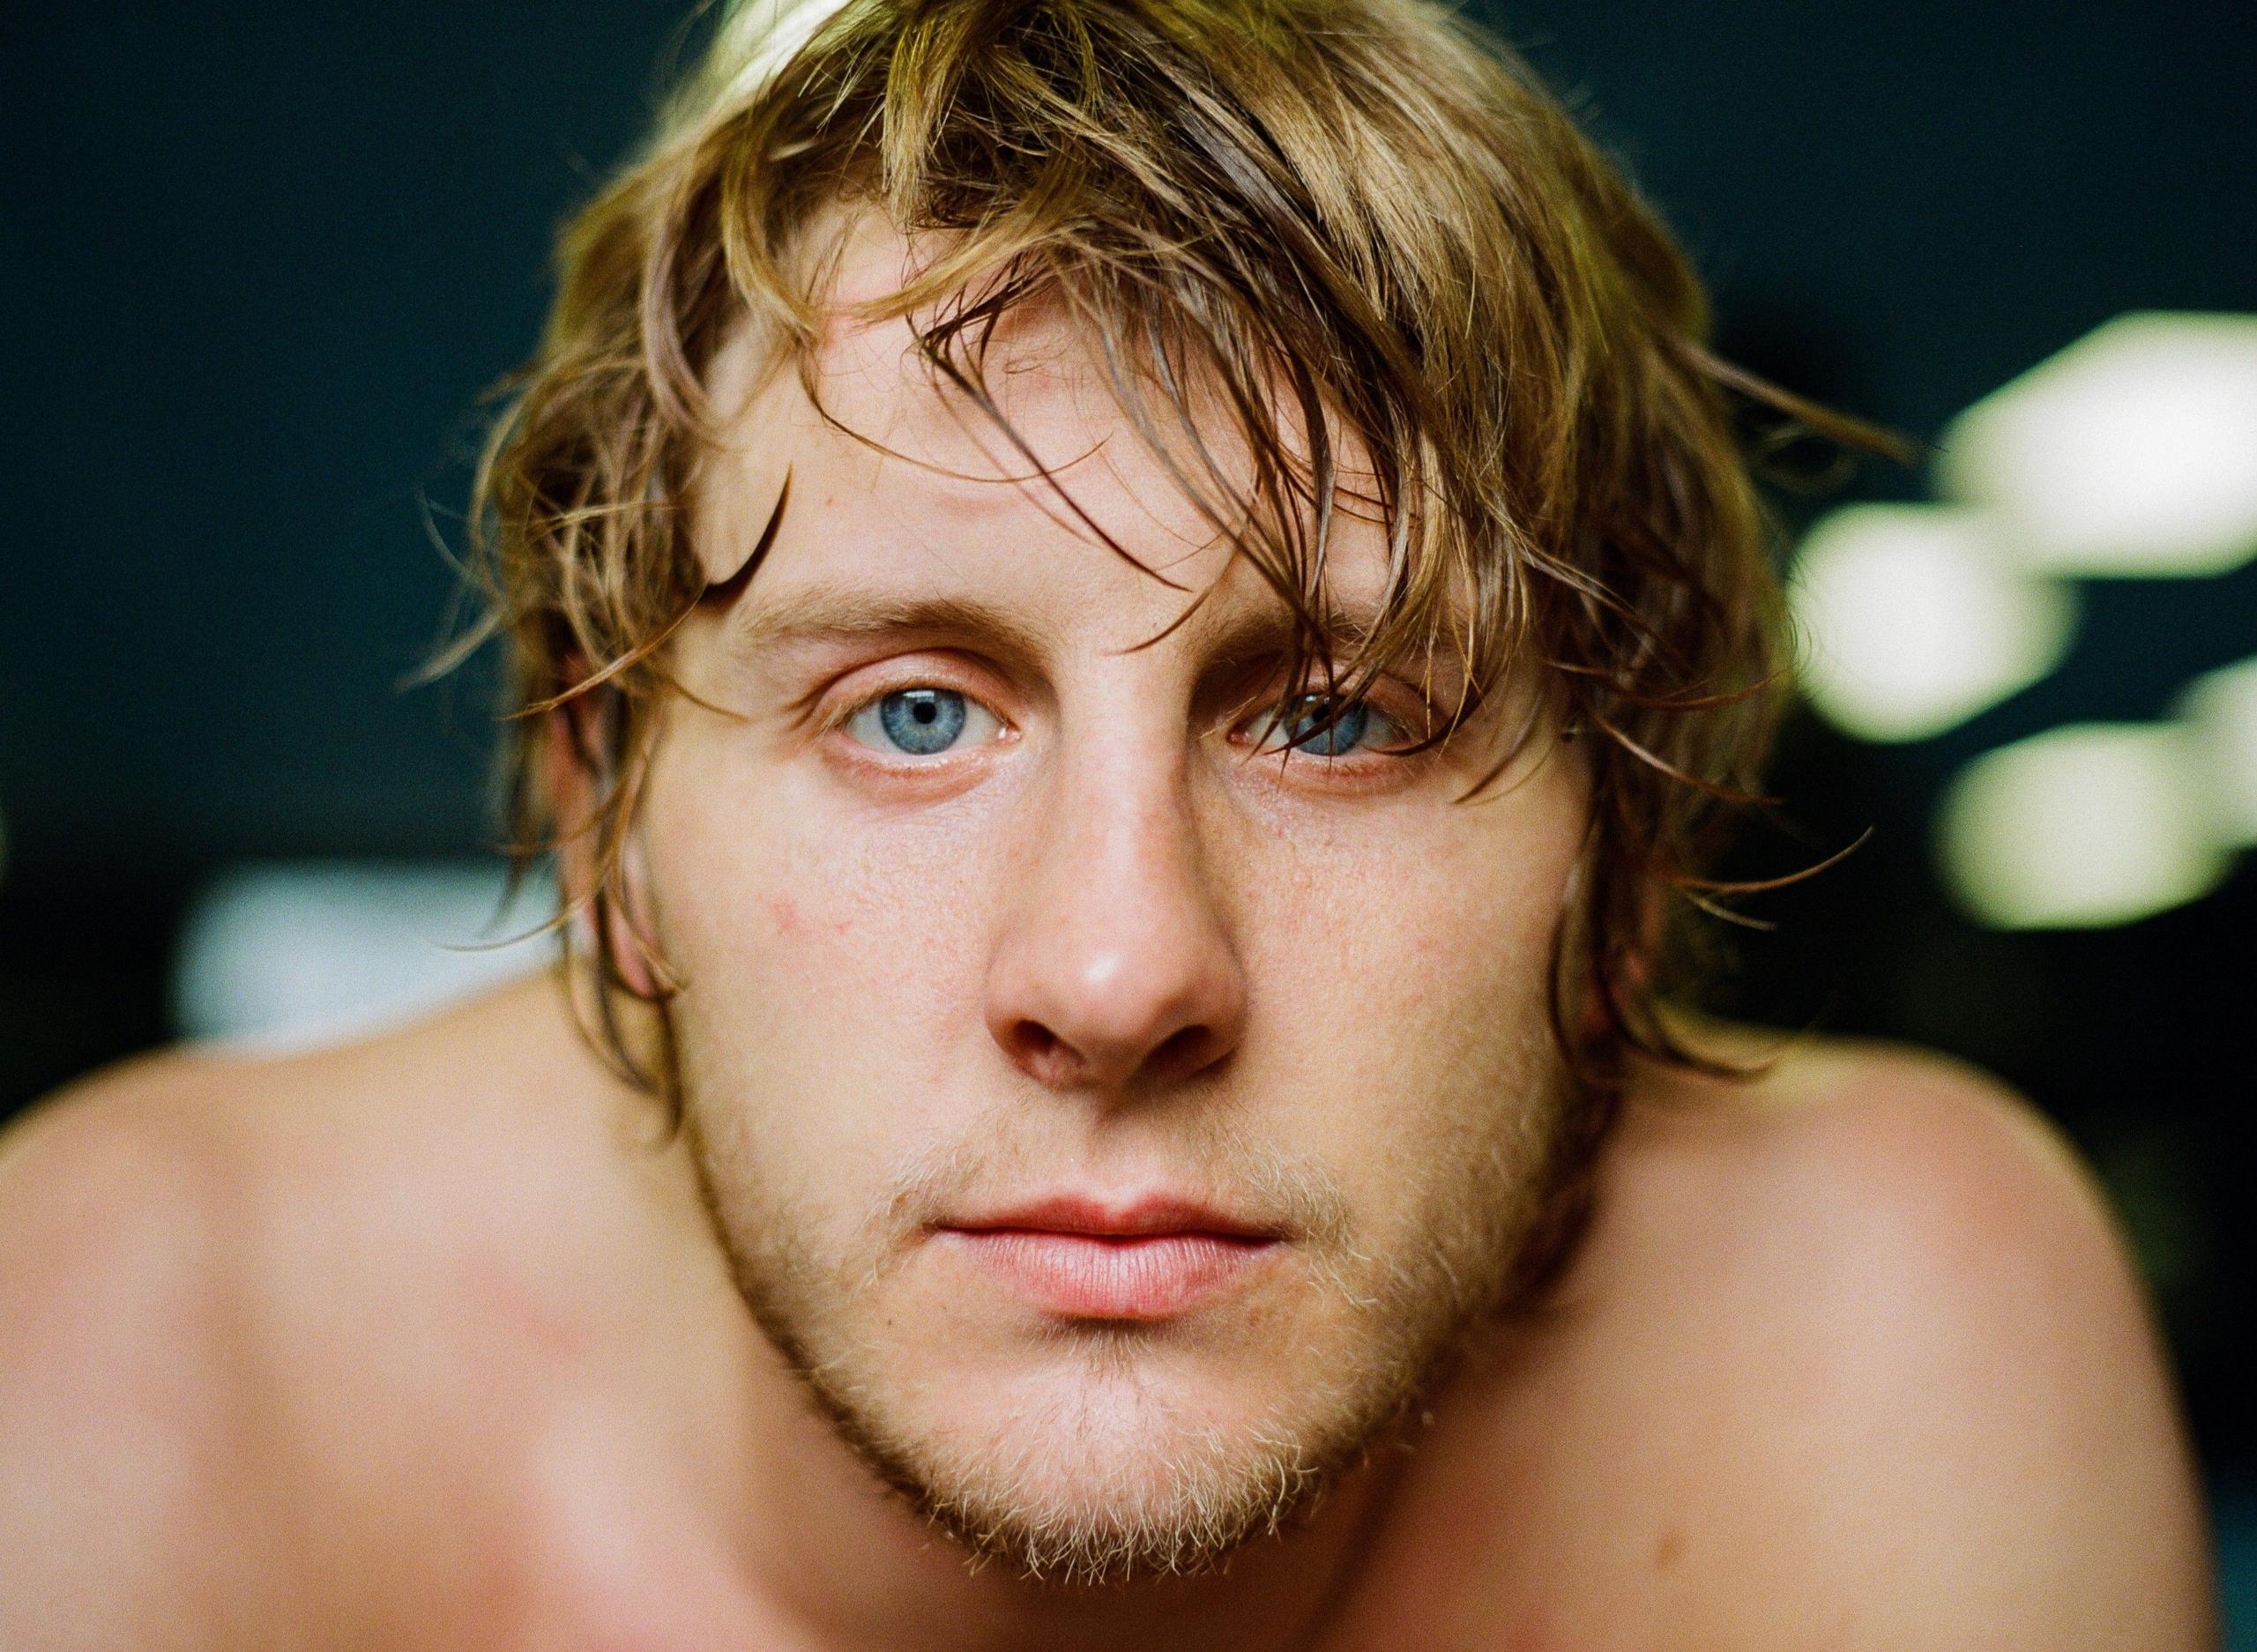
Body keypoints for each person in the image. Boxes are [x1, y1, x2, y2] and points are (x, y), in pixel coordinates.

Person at [0, 0, 2215, 1645]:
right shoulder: (118, 1391)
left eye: (1332, 720)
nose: (1118, 967)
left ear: (1624, 861)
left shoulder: (1884, 1354)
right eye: (917, 709)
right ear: (608, 825)